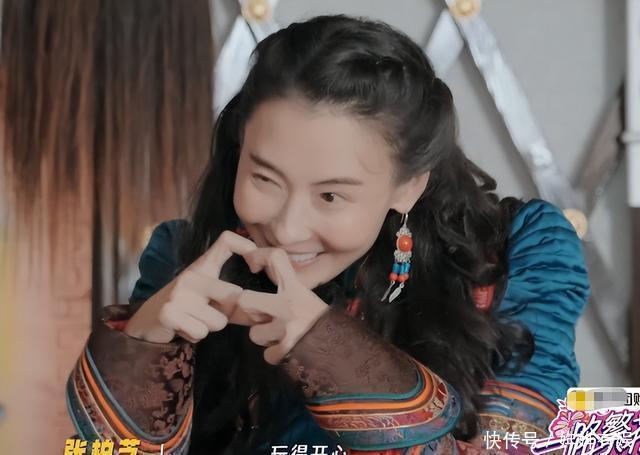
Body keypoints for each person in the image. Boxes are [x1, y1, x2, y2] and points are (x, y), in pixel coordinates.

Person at [66, 15, 590, 454]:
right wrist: (144, 347)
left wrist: (326, 347)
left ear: (407, 186)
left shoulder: (520, 252)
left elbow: (518, 446)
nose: (286, 227)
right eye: (264, 179)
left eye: (331, 196)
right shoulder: (183, 257)